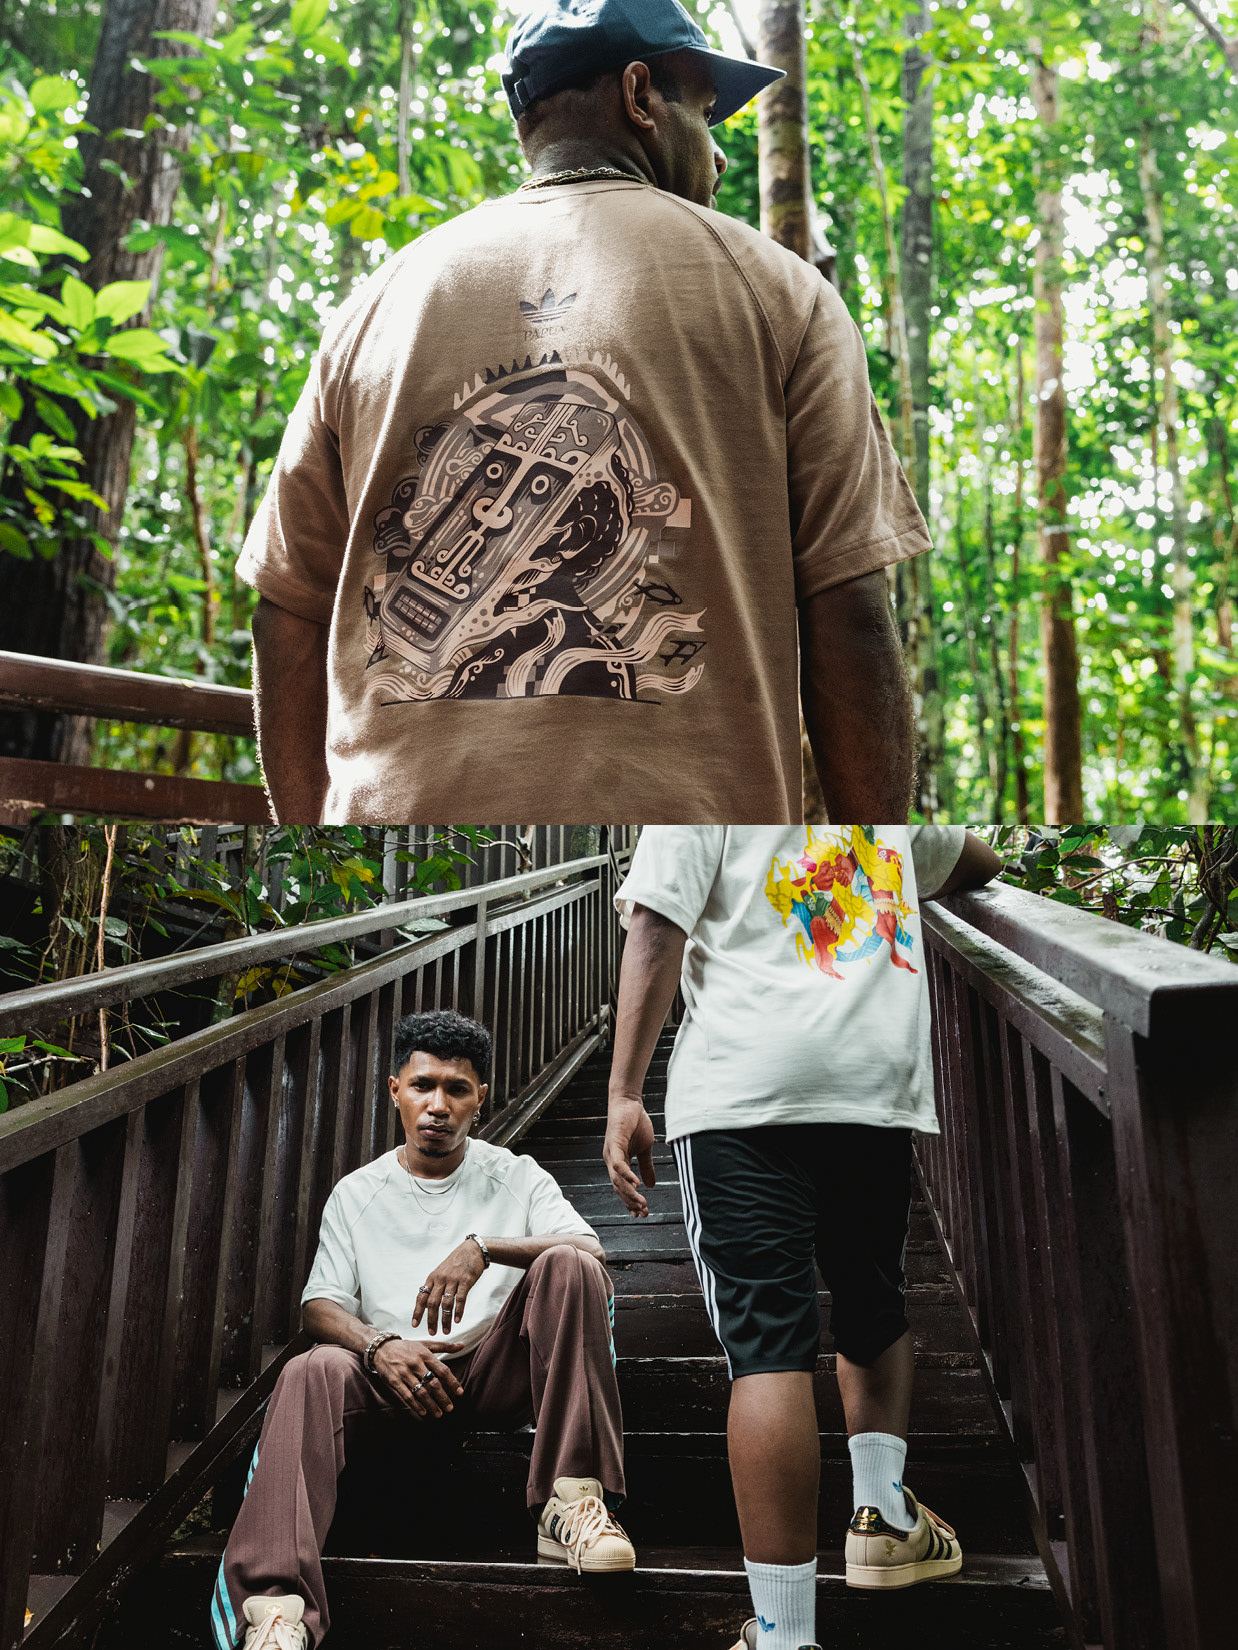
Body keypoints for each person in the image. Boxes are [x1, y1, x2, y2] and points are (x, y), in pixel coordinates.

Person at [239, 0, 929, 825]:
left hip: (402, 875)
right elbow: (850, 615)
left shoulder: (377, 303)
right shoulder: (781, 294)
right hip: (698, 866)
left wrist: (318, 850)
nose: (715, 159)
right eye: (706, 118)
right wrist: (875, 873)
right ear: (641, 97)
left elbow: (286, 612)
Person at [602, 825, 1003, 1650]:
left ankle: (784, 1636)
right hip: (868, 1082)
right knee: (872, 1297)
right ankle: (884, 1516)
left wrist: (624, 1092)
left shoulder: (708, 776)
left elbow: (656, 924)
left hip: (746, 1089)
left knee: (769, 1349)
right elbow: (978, 860)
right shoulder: (879, 792)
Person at [212, 1009, 632, 1650]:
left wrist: (483, 1247)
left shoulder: (514, 1174)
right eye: (423, 1086)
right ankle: (274, 1612)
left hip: (496, 1367)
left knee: (570, 1265)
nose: (438, 1105)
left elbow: (592, 1251)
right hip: (391, 1381)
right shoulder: (357, 1192)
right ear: (394, 1090)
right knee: (310, 1366)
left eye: (456, 1090)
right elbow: (318, 1307)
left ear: (479, 1098)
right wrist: (379, 1346)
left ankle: (570, 1501)